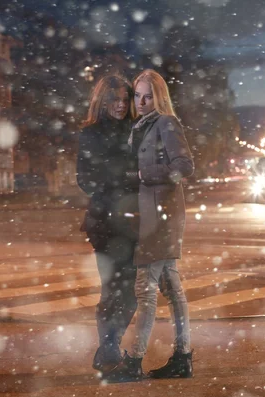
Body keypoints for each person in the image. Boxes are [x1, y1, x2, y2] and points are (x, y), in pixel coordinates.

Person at [120, 69, 195, 379]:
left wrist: (143, 176)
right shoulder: (140, 127)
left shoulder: (165, 122)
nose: (141, 101)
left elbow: (184, 166)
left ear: (159, 97)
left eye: (147, 95)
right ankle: (183, 357)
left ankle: (134, 361)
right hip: (152, 216)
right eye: (137, 95)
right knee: (171, 288)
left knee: (146, 290)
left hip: (161, 218)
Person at [76, 74, 140, 380]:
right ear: (102, 101)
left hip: (136, 221)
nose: (120, 105)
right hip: (103, 221)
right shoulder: (91, 134)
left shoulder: (136, 130)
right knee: (111, 288)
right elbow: (85, 180)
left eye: (125, 100)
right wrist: (124, 178)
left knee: (131, 292)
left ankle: (108, 347)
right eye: (114, 99)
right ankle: (111, 347)